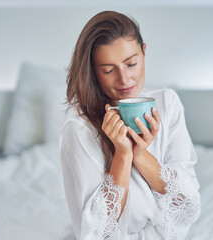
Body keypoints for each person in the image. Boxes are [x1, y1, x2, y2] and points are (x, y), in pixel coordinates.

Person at [59, 10, 200, 240]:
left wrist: (142, 156)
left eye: (131, 63)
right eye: (108, 70)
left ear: (144, 53)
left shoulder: (167, 103)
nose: (124, 80)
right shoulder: (78, 128)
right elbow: (97, 232)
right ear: (93, 72)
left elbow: (188, 206)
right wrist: (122, 155)